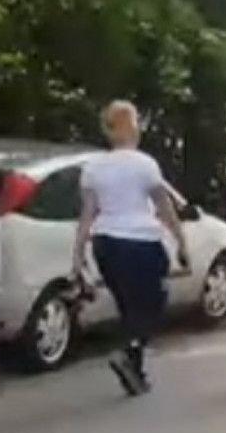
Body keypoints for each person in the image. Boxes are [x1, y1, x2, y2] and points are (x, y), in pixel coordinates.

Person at [72, 100, 190, 396]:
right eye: (135, 121)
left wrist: (78, 254)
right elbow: (164, 207)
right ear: (127, 127)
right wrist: (181, 242)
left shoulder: (93, 168)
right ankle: (129, 351)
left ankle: (134, 371)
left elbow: (87, 214)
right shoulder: (145, 164)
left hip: (105, 245)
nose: (139, 128)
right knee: (155, 301)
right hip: (141, 243)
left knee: (129, 307)